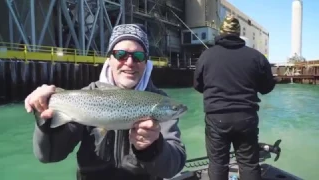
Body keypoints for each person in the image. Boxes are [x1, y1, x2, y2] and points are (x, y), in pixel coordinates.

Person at [24, 24, 186, 180]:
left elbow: (174, 166)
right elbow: (49, 156)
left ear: (146, 62)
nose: (129, 62)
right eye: (121, 54)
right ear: (110, 59)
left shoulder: (158, 98)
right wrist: (44, 116)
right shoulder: (85, 96)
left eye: (138, 56)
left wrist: (153, 148)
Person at [193, 15, 276, 180]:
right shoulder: (256, 57)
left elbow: (198, 85)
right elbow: (267, 88)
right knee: (248, 164)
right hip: (246, 119)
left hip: (217, 119)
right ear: (238, 34)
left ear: (222, 32)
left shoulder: (206, 56)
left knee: (217, 163)